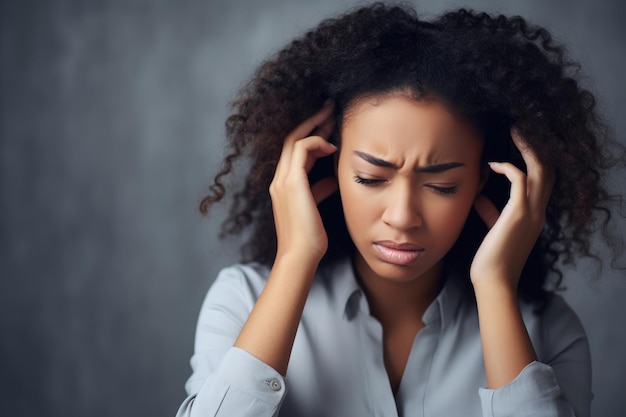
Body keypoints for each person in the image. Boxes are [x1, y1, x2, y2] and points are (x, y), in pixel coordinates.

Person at [176, 3, 624, 416]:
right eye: (371, 179)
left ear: (484, 182)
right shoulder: (242, 300)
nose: (402, 216)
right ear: (321, 162)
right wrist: (295, 259)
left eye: (442, 185)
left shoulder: (547, 330)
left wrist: (495, 288)